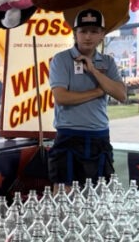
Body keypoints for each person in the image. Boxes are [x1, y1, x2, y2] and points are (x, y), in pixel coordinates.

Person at [47, 9, 127, 186]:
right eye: (83, 31)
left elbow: (121, 95)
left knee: (98, 197)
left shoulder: (107, 62)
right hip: (69, 135)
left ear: (102, 35)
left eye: (94, 31)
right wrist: (99, 91)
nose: (88, 37)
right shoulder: (61, 60)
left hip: (100, 136)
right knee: (63, 196)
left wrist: (93, 70)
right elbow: (61, 97)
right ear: (75, 34)